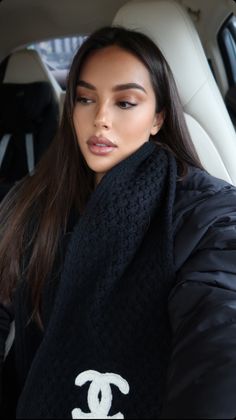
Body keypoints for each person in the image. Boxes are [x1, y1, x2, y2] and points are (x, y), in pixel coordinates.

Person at [0, 26, 236, 419]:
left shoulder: (207, 212)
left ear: (158, 117)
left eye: (125, 102)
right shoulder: (30, 203)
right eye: (85, 99)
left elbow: (218, 332)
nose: (100, 119)